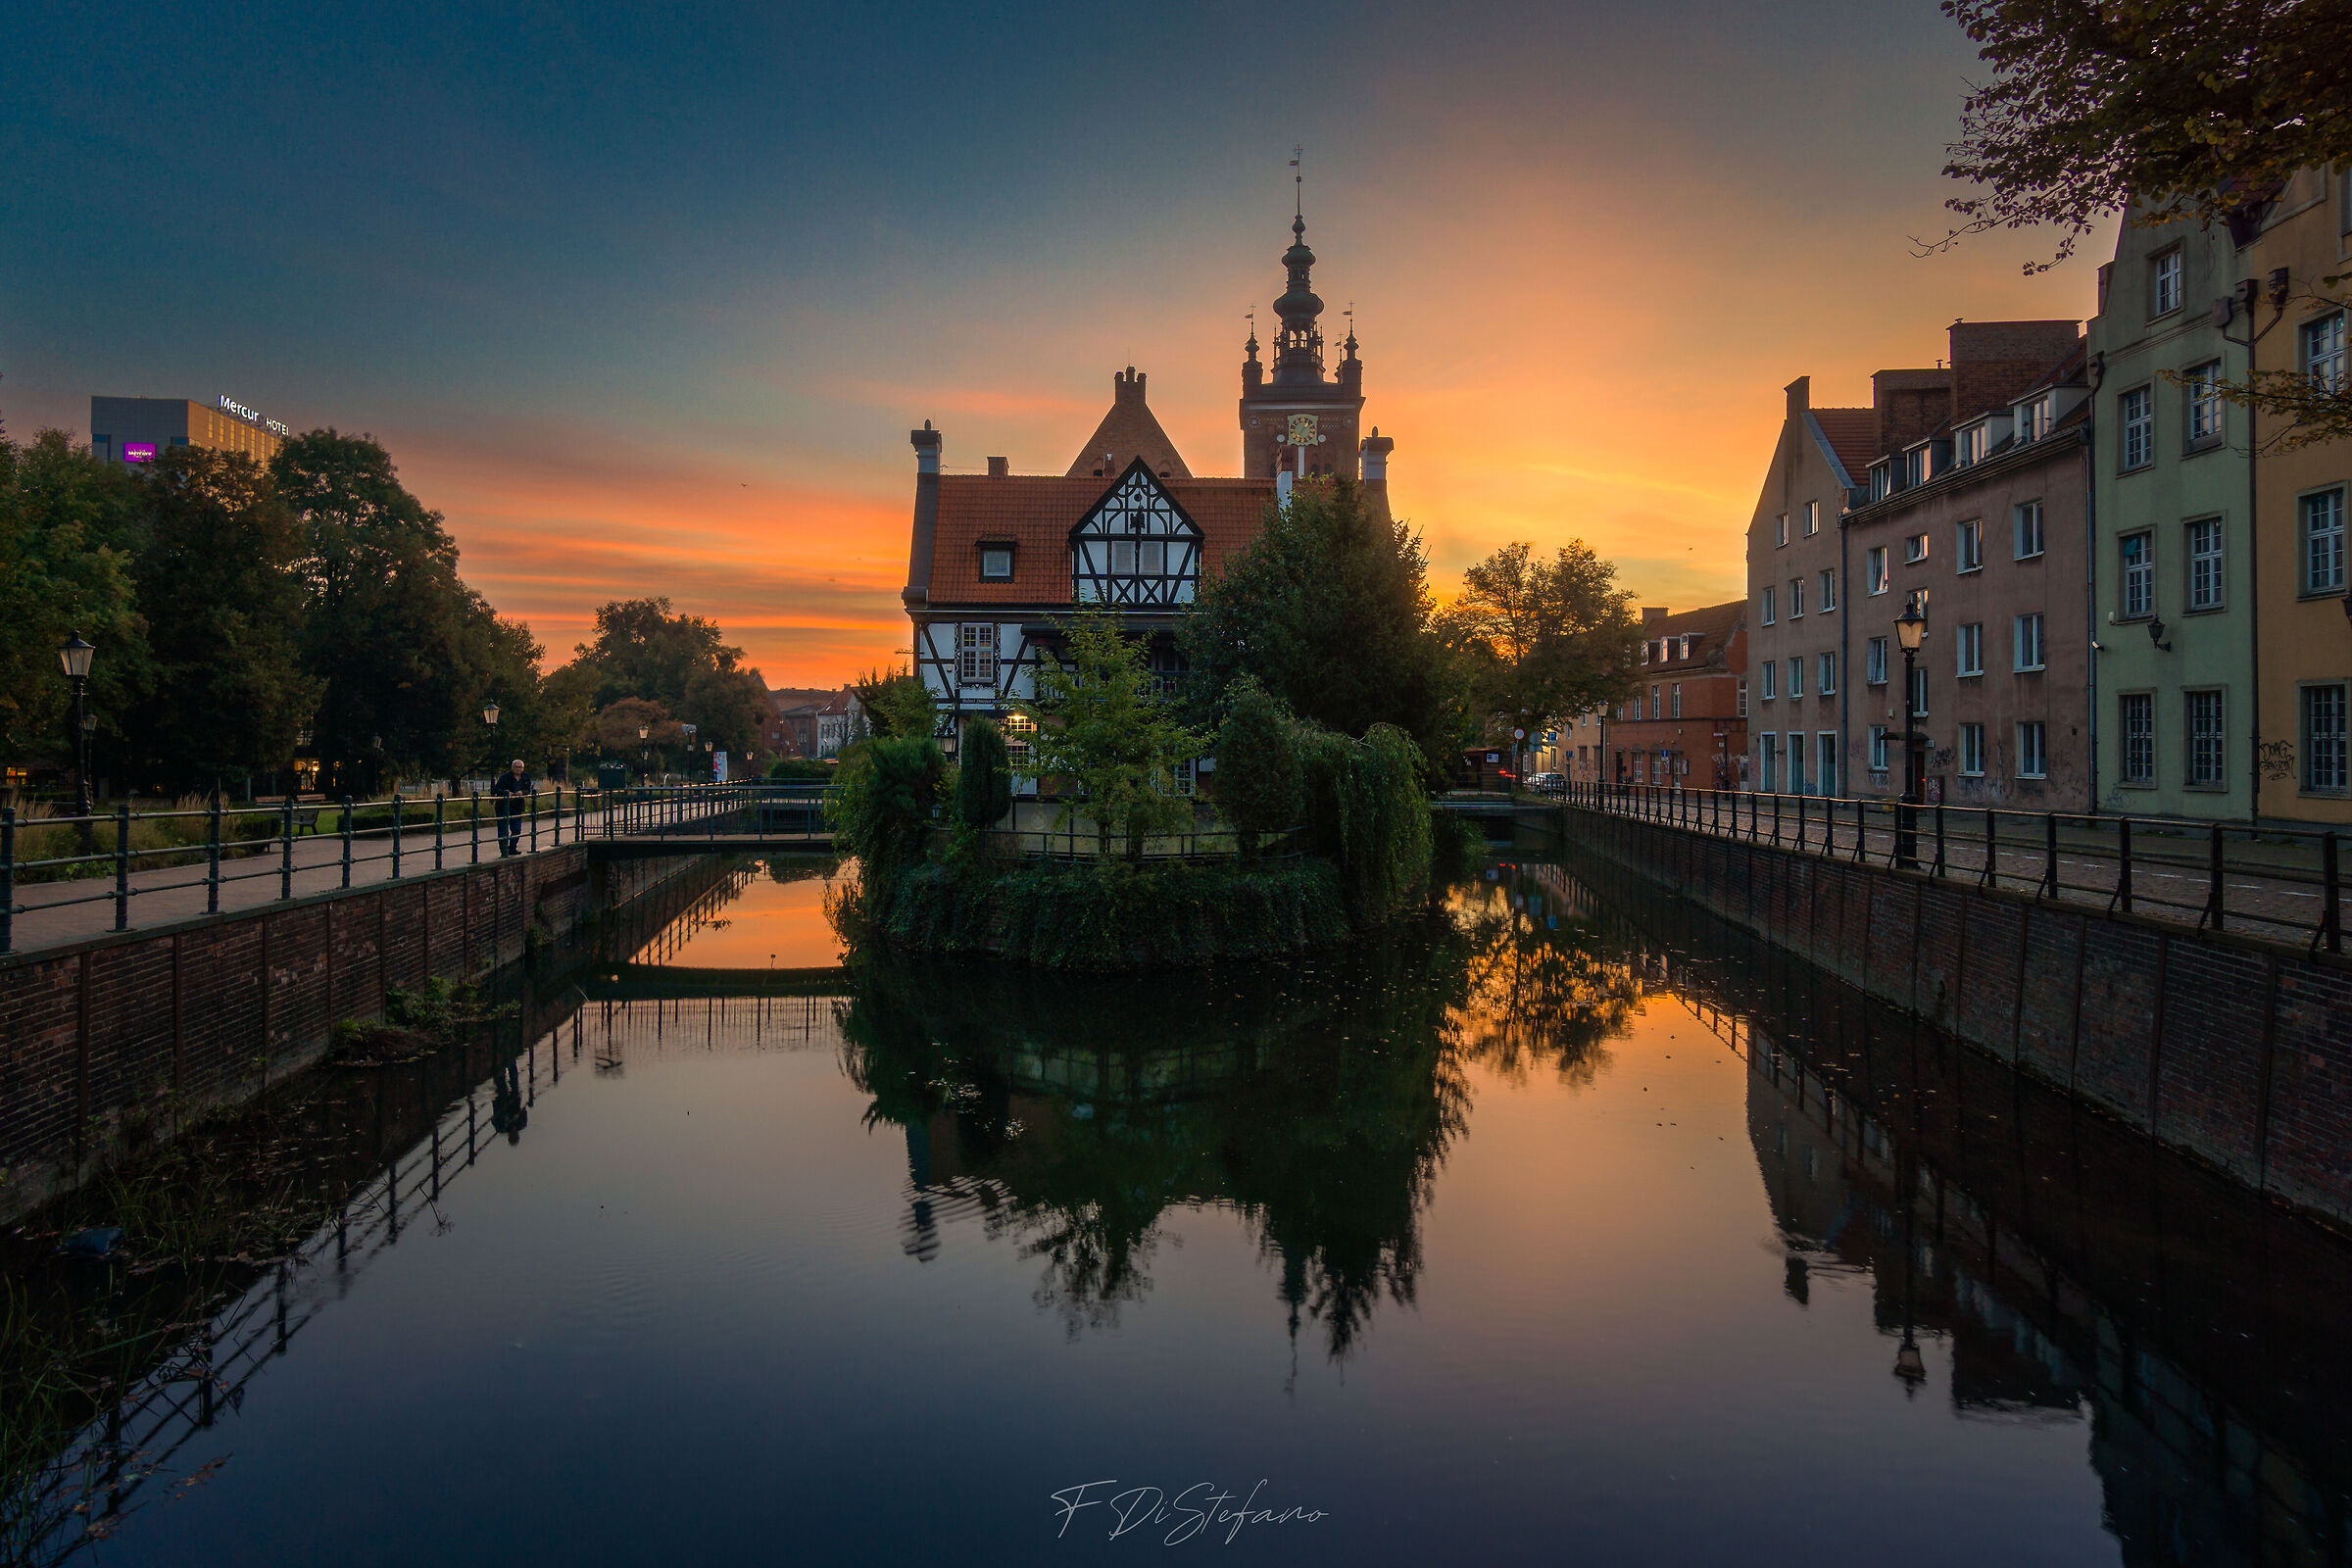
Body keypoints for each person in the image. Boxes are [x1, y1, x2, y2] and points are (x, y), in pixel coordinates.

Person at [492, 758, 532, 856]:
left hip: (517, 806)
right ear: (512, 767)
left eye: (520, 767)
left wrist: (522, 792)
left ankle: (512, 848)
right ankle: (504, 851)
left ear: (523, 768)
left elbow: (528, 790)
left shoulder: (526, 777)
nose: (518, 769)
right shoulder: (504, 777)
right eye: (516, 767)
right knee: (503, 830)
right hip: (503, 806)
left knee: (517, 829)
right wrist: (506, 793)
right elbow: (496, 790)